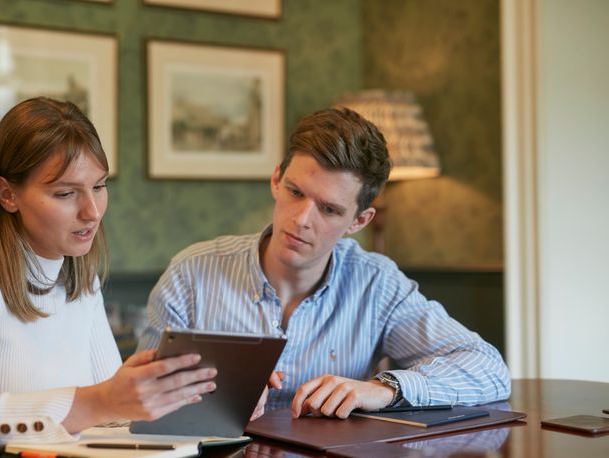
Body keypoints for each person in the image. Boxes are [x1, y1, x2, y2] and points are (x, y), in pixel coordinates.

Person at [0, 97, 216, 458]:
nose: (92, 212)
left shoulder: (80, 278)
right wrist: (97, 402)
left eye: (99, 186)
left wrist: (211, 401)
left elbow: (110, 419)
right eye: (65, 193)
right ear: (8, 195)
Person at [138, 107, 511, 420]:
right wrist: (212, 405)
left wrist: (383, 389)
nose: (301, 219)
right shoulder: (191, 275)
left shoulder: (377, 284)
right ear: (276, 180)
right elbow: (135, 406)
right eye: (295, 192)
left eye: (329, 209)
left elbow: (488, 369)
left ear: (359, 222)